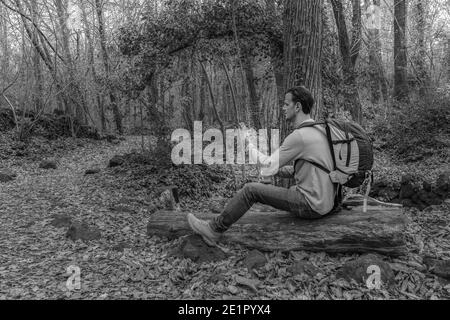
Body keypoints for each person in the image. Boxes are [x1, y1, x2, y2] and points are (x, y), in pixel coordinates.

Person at [187, 86, 338, 246]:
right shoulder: (320, 131)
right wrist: (275, 170)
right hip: (327, 203)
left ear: (298, 106)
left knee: (250, 190)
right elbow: (302, 170)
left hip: (312, 205)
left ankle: (213, 230)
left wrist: (249, 145)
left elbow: (267, 166)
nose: (283, 108)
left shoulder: (300, 136)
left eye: (286, 104)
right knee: (291, 189)